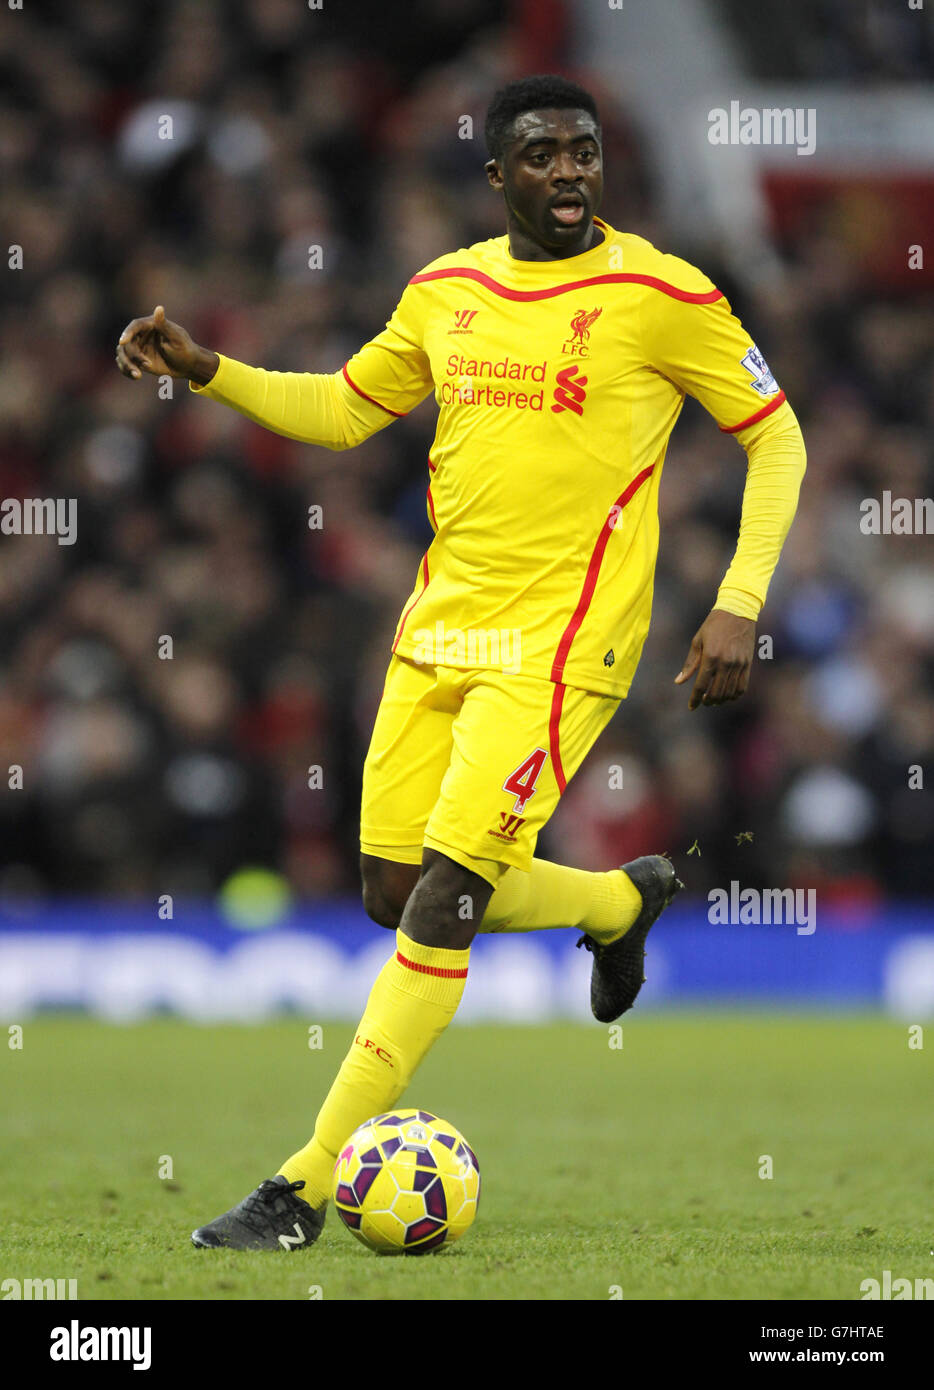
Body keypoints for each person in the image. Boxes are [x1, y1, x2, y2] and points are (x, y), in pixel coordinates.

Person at [116, 74, 806, 1251]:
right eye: (540, 154)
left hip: (561, 646)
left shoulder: (661, 291)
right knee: (392, 886)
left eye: (583, 150)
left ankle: (299, 1184)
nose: (569, 171)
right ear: (497, 176)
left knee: (443, 897)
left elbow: (775, 435)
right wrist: (206, 368)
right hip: (440, 627)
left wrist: (739, 601)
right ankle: (614, 900)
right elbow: (341, 410)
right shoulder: (447, 290)